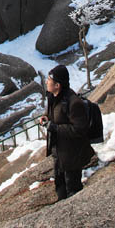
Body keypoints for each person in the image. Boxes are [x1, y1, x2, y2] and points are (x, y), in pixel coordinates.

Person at [40, 64, 92, 201]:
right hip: (59, 153)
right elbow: (54, 114)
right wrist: (46, 117)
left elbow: (79, 129)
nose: (46, 81)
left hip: (72, 156)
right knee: (60, 189)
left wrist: (55, 128)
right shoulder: (53, 97)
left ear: (57, 85)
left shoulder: (74, 103)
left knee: (73, 191)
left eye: (49, 79)